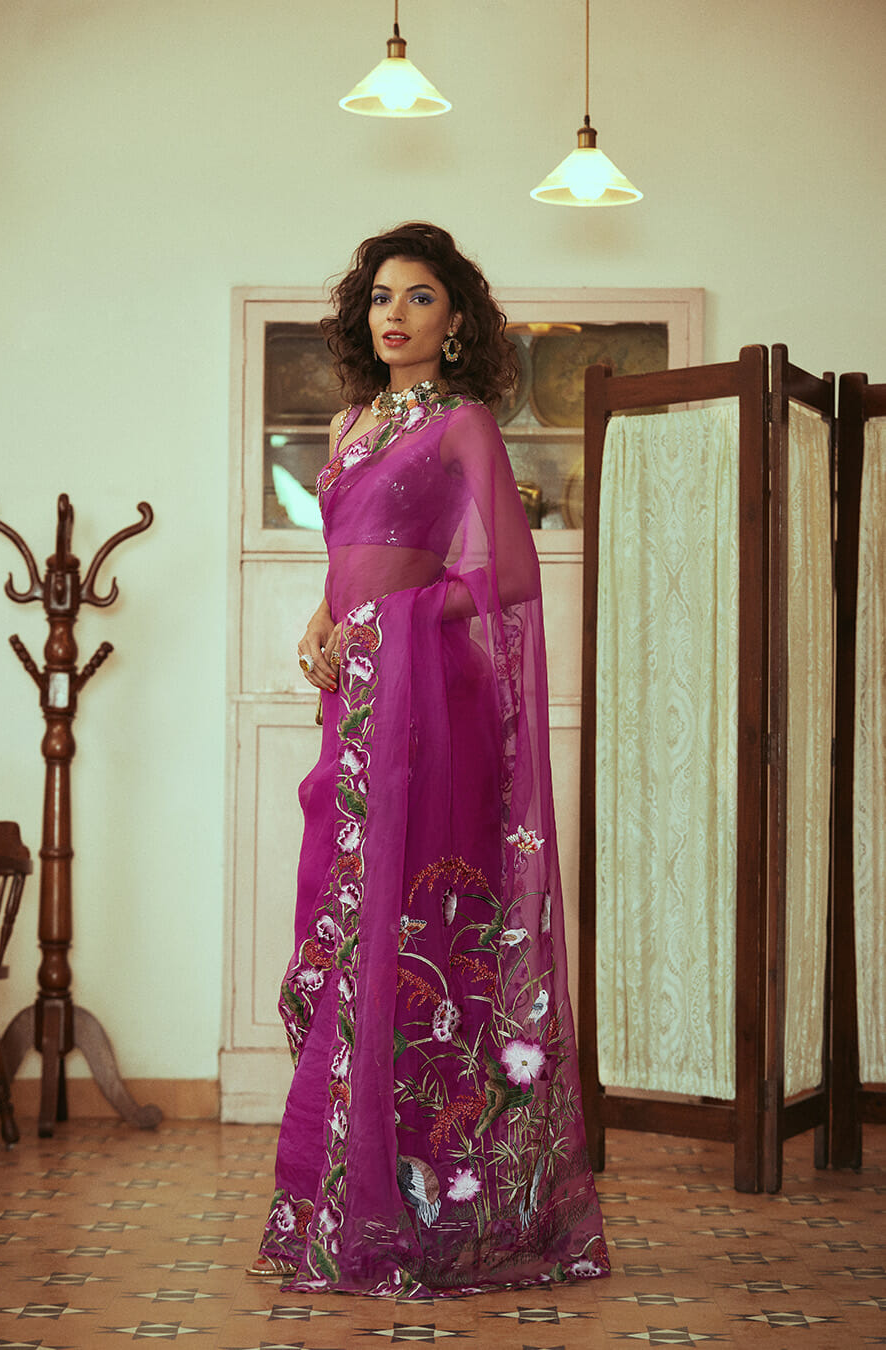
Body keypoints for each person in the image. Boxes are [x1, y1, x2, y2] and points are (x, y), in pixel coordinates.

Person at [248, 222, 609, 1297]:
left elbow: (508, 576)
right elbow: (347, 560)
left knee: (413, 932)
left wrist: (392, 623)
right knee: (347, 923)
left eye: (419, 298)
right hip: (357, 696)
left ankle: (438, 1211)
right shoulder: (350, 421)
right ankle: (346, 1203)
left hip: (426, 704)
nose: (395, 314)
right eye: (381, 297)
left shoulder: (463, 426)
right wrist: (325, 622)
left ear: (456, 323)